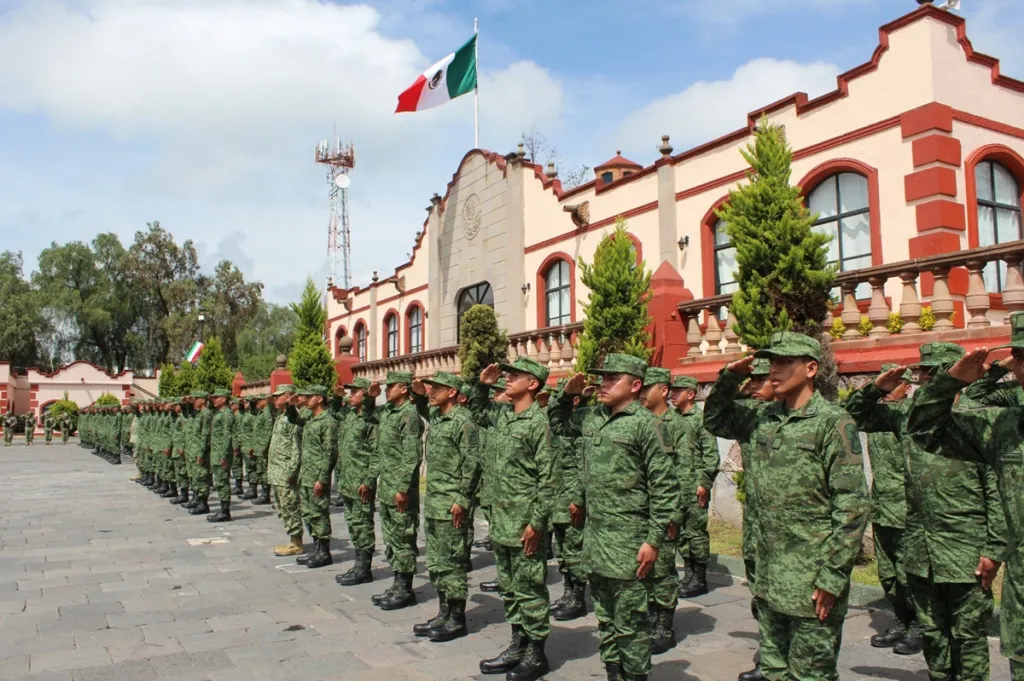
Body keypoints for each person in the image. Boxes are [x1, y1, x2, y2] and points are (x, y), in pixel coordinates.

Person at [704, 332, 869, 681]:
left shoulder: (833, 423)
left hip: (811, 576)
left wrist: (833, 576)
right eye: (772, 363)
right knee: (774, 669)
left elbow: (852, 507)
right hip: (768, 571)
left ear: (811, 368)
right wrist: (730, 378)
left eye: (784, 362)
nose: (774, 370)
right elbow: (715, 420)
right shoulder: (761, 416)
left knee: (811, 673)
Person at [847, 343, 1007, 681]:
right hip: (920, 548)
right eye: (922, 372)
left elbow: (996, 489)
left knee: (968, 635)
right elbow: (851, 418)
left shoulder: (978, 418)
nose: (924, 380)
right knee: (933, 633)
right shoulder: (908, 416)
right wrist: (876, 389)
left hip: (965, 549)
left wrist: (994, 549)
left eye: (934, 373)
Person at [905, 325, 1024, 681]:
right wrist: (950, 383)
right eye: (1020, 357)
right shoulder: (1005, 426)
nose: (1023, 366)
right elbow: (925, 429)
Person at [550, 354, 679, 681]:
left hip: (628, 543)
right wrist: (566, 395)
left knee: (631, 623)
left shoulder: (647, 425)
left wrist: (653, 541)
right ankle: (613, 672)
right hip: (596, 539)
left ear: (635, 385)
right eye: (602, 378)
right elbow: (558, 423)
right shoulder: (592, 417)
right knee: (606, 618)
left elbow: (665, 487)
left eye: (612, 379)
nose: (603, 384)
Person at [472, 357, 557, 681]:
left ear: (532, 384)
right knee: (509, 588)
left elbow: (549, 480)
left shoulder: (539, 423)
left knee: (530, 589)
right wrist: (481, 386)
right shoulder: (503, 416)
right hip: (502, 521)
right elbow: (477, 411)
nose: (507, 379)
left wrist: (537, 524)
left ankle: (536, 654)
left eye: (515, 375)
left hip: (525, 525)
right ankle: (517, 644)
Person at [854, 364, 922, 654]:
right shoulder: (877, 416)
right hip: (882, 506)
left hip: (907, 509)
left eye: (895, 385)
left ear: (908, 387)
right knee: (889, 572)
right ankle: (900, 619)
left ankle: (919, 625)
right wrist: (873, 390)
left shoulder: (913, 414)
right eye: (885, 385)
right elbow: (851, 413)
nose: (887, 391)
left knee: (909, 572)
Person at [410, 371, 480, 642]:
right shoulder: (439, 417)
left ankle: (457, 618)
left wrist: (462, 499)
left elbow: (472, 463)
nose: (432, 392)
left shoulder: (463, 421)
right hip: (435, 502)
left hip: (452, 504)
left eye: (438, 388)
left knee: (452, 562)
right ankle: (444, 612)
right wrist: (418, 394)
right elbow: (422, 408)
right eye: (431, 388)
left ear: (452, 392)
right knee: (437, 562)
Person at [639, 367, 687, 656]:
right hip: (640, 510)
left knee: (663, 569)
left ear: (664, 391)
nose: (643, 393)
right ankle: (650, 617)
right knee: (644, 568)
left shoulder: (676, 425)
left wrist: (675, 515)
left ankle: (664, 627)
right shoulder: (640, 421)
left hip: (665, 510)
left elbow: (684, 472)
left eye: (648, 388)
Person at [367, 372, 424, 611]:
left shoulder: (409, 414)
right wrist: (370, 398)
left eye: (391, 386)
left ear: (404, 389)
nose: (386, 390)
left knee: (403, 539)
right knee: (391, 538)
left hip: (401, 490)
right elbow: (367, 416)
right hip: (387, 487)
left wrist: (403, 488)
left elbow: (412, 455)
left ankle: (405, 589)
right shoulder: (389, 412)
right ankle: (397, 583)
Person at [735, 358, 775, 681]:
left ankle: (779, 657)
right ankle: (769, 653)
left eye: (761, 380)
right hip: (755, 526)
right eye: (753, 380)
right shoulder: (751, 417)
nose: (755, 387)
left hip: (789, 533)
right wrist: (732, 381)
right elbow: (716, 416)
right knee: (760, 592)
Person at [670, 375, 720, 598]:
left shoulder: (701, 419)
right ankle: (688, 574)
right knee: (681, 533)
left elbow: (711, 453)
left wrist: (705, 483)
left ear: (691, 394)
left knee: (695, 532)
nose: (673, 395)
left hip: (694, 486)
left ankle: (699, 577)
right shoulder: (672, 418)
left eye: (678, 391)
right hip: (676, 486)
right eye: (672, 390)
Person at [550, 378, 588, 622]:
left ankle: (578, 598)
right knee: (563, 550)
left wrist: (578, 498)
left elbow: (582, 466)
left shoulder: (581, 427)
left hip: (572, 498)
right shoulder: (562, 426)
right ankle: (567, 593)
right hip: (557, 496)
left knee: (575, 550)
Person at [335, 378, 380, 586]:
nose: (350, 395)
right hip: (348, 480)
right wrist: (336, 399)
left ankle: (364, 568)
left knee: (363, 524)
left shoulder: (371, 420)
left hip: (361, 482)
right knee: (353, 524)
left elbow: (376, 452)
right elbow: (333, 412)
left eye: (355, 392)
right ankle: (358, 564)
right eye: (350, 392)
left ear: (365, 394)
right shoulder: (351, 416)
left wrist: (369, 481)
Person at [292, 385, 337, 569]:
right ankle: (316, 548)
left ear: (319, 398)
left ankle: (324, 553)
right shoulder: (310, 419)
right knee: (309, 514)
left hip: (317, 476)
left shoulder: (328, 422)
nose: (306, 399)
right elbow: (294, 419)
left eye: (310, 396)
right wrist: (293, 404)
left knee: (319, 514)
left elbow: (330, 452)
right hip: (306, 475)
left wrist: (323, 478)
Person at [267, 384, 306, 557]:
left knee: (290, 506)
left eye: (278, 396)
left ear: (288, 396)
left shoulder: (293, 419)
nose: (275, 399)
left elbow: (296, 447)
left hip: (285, 471)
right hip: (276, 470)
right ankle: (292, 538)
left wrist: (293, 471)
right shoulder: (281, 416)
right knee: (282, 507)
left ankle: (296, 542)